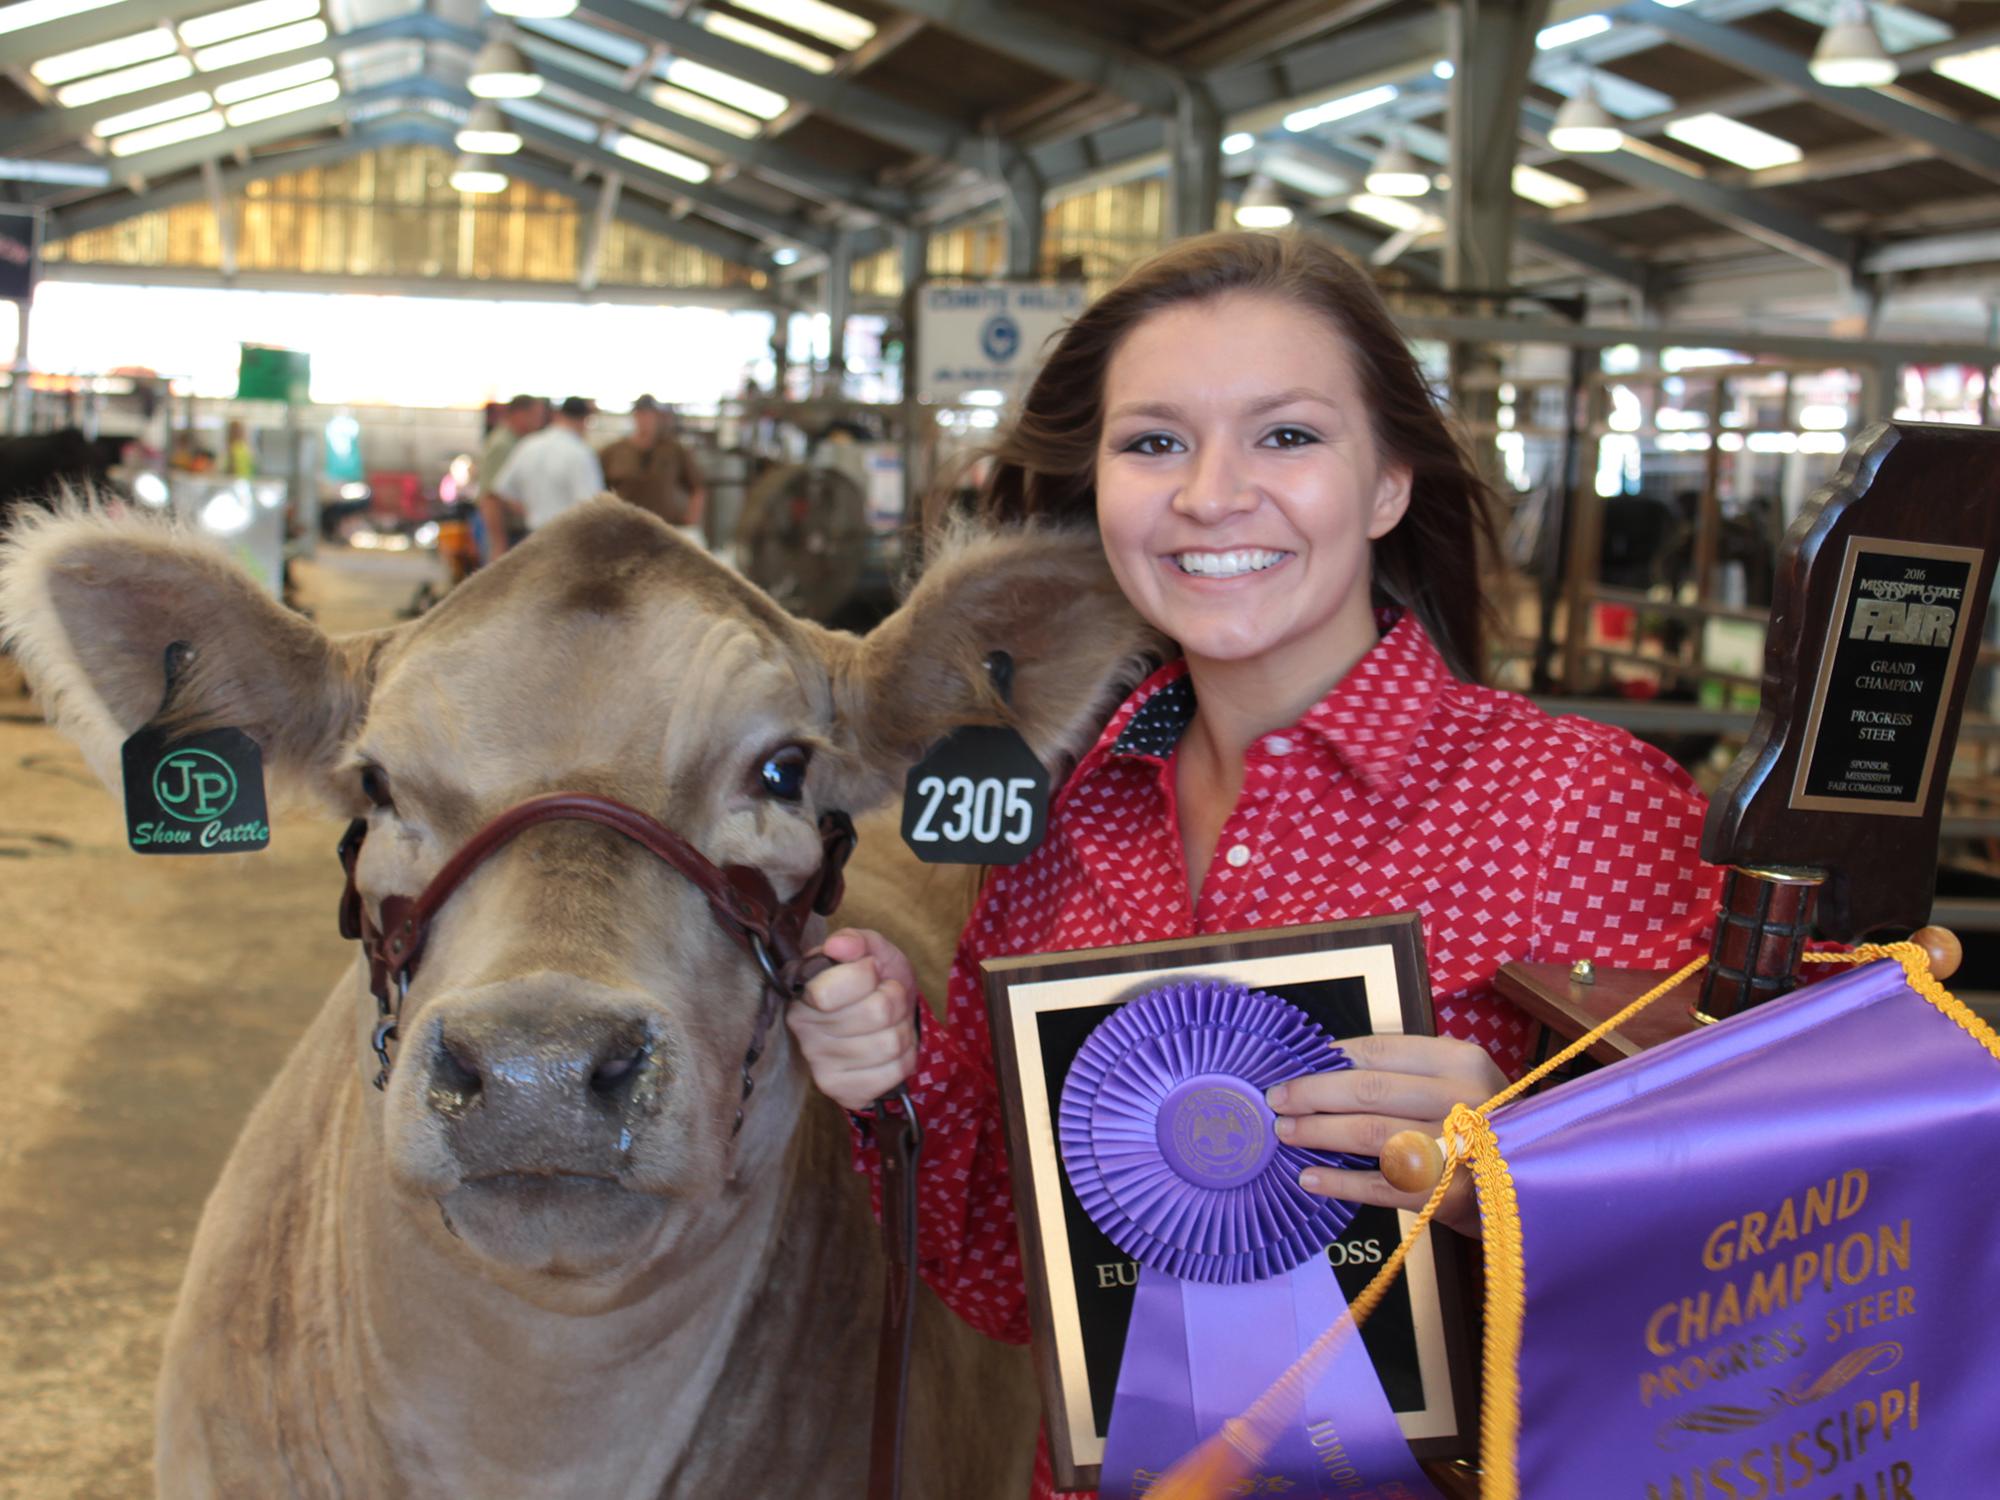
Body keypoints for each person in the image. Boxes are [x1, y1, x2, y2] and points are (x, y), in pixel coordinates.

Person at [786, 232, 1722, 1498]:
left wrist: (1515, 1169)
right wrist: (890, 1072)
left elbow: (1751, 1271)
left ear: (1387, 483)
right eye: (1153, 441)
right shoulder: (1062, 826)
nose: (1210, 494)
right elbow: (1013, 1283)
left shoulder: (1580, 807)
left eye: (1285, 436)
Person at [480, 396, 604, 559]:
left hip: (532, 540)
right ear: (584, 421)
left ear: (558, 415)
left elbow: (500, 492)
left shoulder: (528, 445)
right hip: (567, 546)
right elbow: (593, 509)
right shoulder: (580, 453)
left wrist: (531, 510)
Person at [599, 395, 707, 544]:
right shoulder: (612, 451)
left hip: (664, 531)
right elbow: (597, 490)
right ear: (635, 416)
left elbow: (697, 486)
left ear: (657, 417)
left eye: (650, 415)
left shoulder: (673, 450)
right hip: (625, 532)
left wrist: (691, 519)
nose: (645, 420)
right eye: (641, 414)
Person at [475, 394, 542, 507]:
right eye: (536, 416)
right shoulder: (503, 444)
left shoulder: (516, 440)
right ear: (520, 414)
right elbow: (490, 496)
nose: (539, 422)